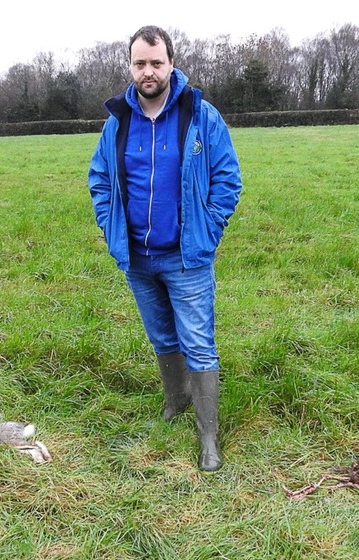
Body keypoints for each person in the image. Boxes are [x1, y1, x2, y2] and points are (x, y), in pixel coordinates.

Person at [87, 25, 243, 472]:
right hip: (137, 257)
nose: (148, 71)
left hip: (186, 256)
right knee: (161, 336)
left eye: (157, 62)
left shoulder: (201, 116)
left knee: (199, 343)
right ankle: (175, 402)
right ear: (130, 67)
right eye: (140, 63)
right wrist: (109, 224)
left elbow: (228, 180)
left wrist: (208, 230)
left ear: (171, 63)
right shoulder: (117, 120)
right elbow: (99, 178)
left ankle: (208, 436)